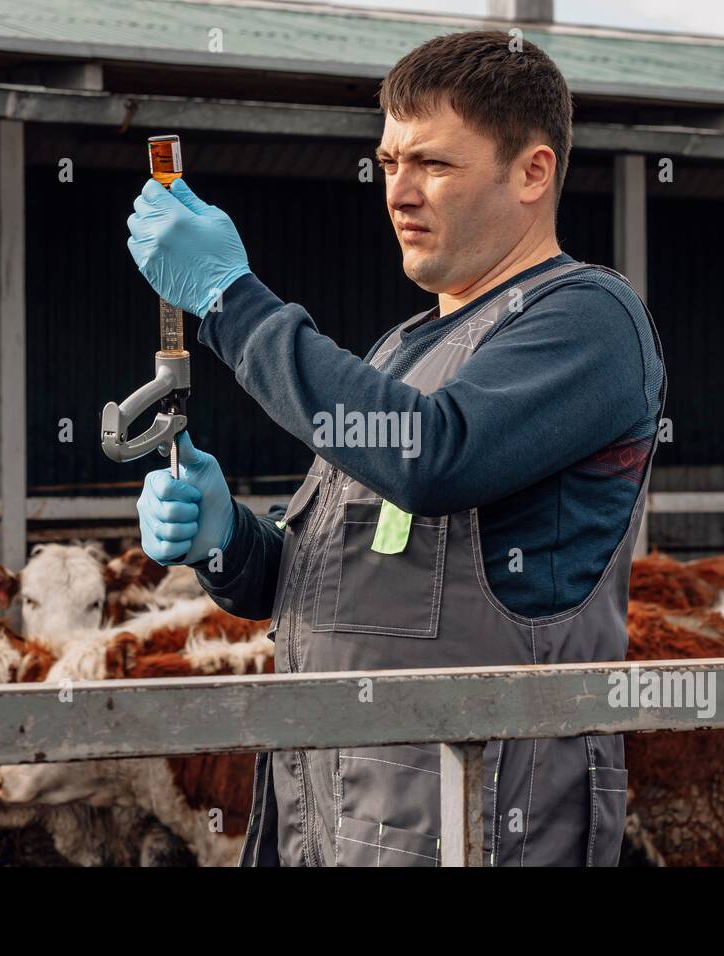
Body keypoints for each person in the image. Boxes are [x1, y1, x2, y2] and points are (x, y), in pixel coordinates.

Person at [126, 29, 665, 867]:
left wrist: (230, 301)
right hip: (327, 814)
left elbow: (433, 458)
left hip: (480, 820)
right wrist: (228, 539)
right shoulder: (398, 351)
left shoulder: (589, 319)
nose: (399, 193)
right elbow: (327, 584)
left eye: (434, 165)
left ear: (533, 172)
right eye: (387, 163)